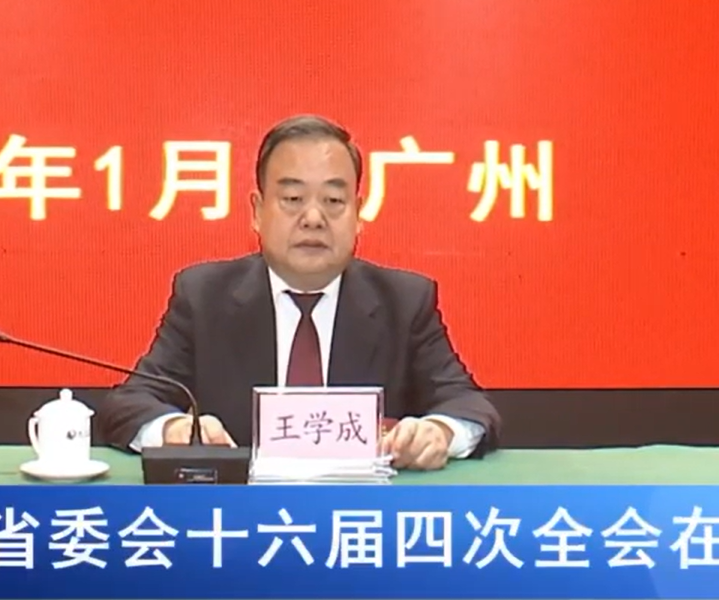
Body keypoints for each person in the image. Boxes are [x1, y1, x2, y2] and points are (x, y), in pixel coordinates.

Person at [95, 115, 500, 469]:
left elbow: (468, 405)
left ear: (358, 214)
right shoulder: (204, 297)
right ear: (257, 211)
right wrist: (173, 429)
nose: (313, 218)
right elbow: (131, 403)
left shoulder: (404, 301)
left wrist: (439, 432)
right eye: (292, 199)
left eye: (334, 200)